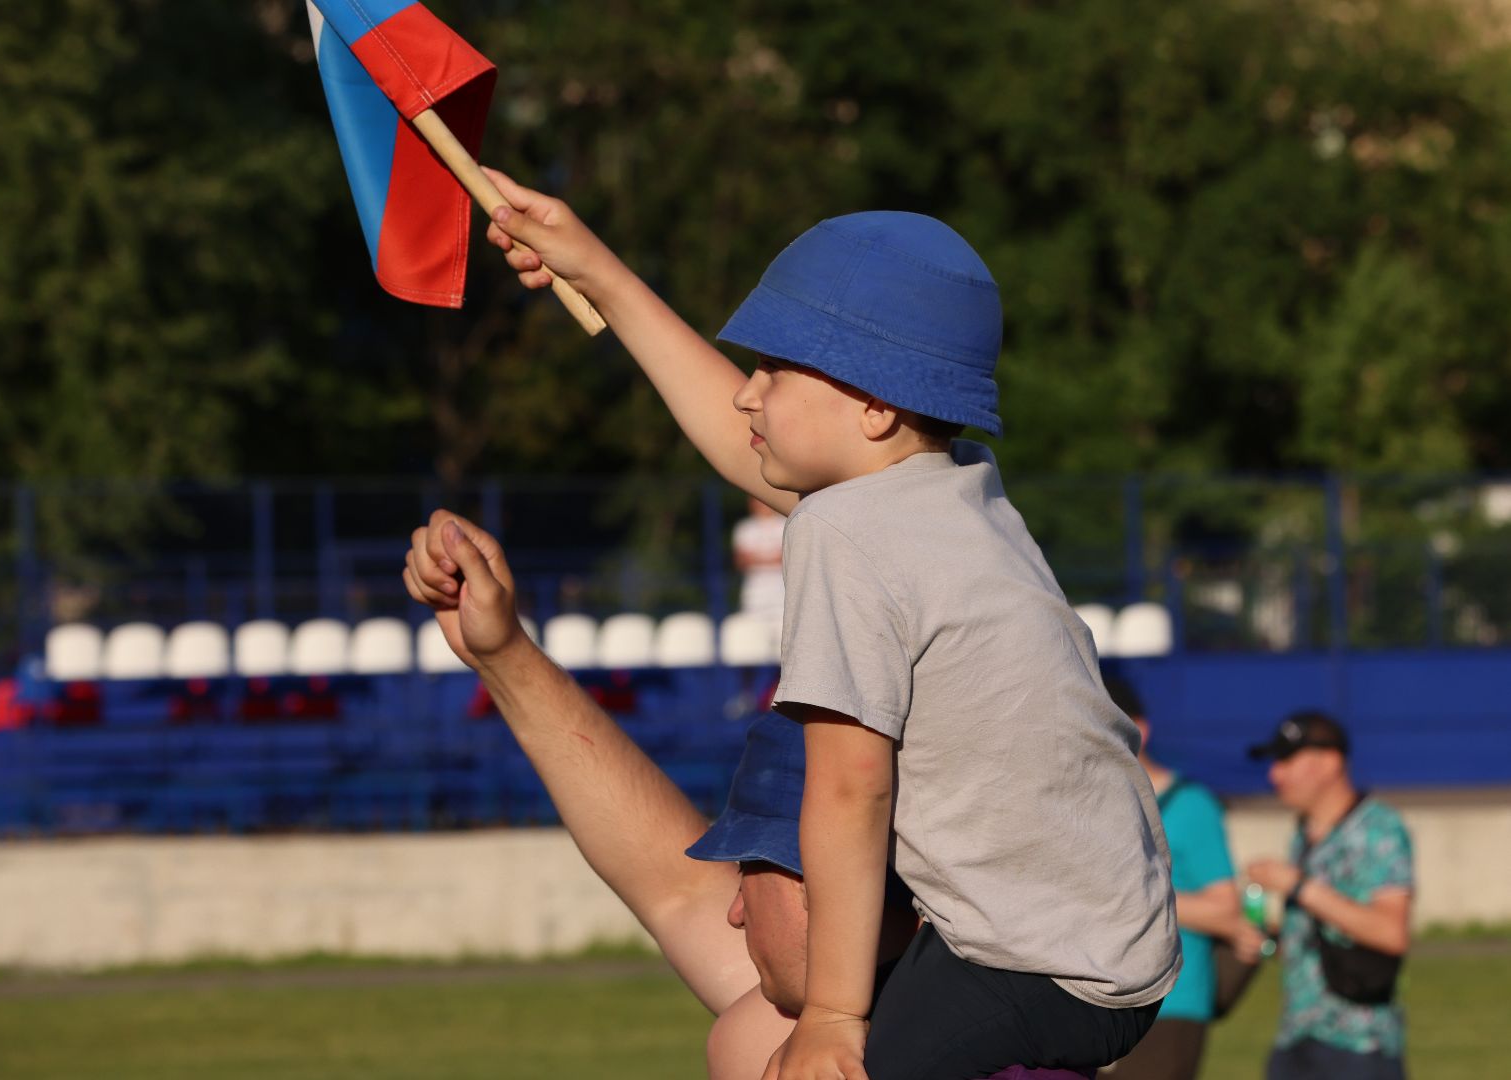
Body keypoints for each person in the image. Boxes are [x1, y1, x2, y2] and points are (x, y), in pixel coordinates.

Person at [470, 174, 1179, 1079]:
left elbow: (850, 790)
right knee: (759, 1041)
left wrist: (836, 1019)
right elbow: (743, 449)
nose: (747, 396)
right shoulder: (945, 489)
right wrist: (596, 268)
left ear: (878, 407)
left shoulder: (851, 533)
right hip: (1112, 951)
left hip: (1043, 971)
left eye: (775, 370)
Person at [403, 511, 1087, 1080]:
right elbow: (673, 889)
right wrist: (505, 658)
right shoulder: (850, 1010)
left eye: (750, 872)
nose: (731, 909)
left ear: (834, 884)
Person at [1245, 710, 1413, 1080]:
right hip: (1296, 1035)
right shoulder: (1303, 834)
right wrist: (1266, 938)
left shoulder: (1378, 828)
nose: (1275, 774)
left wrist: (1298, 886)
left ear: (1330, 762)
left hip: (1358, 1044)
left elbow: (1391, 932)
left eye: (1287, 760)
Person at [1101, 676, 1246, 1080]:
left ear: (1138, 729)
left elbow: (1226, 910)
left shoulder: (1192, 804)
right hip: (1100, 999)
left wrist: (1133, 893)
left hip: (1171, 1005)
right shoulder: (1091, 802)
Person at [732, 496, 787, 623]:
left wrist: (756, 558)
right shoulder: (744, 528)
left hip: (782, 594)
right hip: (754, 594)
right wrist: (772, 557)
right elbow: (741, 561)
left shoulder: (785, 523)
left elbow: (788, 559)